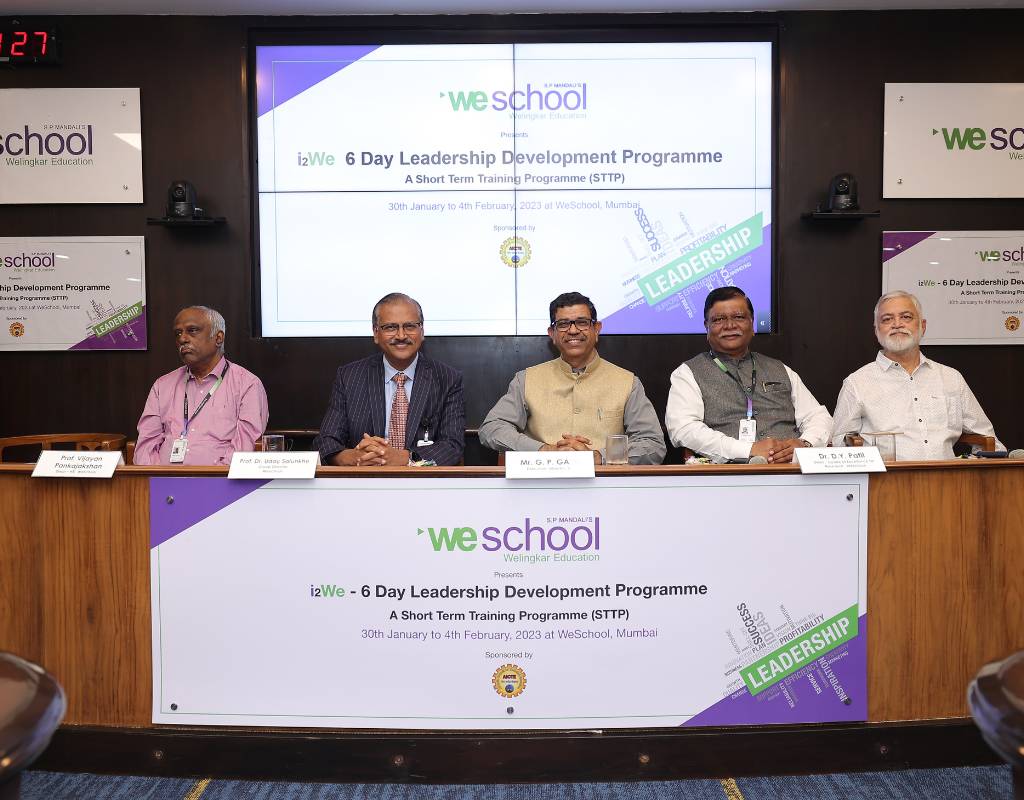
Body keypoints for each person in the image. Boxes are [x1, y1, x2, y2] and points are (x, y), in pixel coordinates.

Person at [479, 291, 666, 464]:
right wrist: (543, 450)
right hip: (541, 482)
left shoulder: (627, 382)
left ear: (597, 329)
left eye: (582, 322)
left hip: (606, 484)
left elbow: (652, 444)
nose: (573, 330)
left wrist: (598, 456)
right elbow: (491, 428)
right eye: (563, 324)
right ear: (552, 334)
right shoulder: (526, 379)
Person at [665, 286, 831, 463]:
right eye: (719, 319)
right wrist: (747, 450)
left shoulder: (780, 368)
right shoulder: (688, 373)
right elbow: (683, 428)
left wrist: (805, 444)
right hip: (727, 474)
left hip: (791, 470)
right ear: (707, 326)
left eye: (739, 317)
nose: (730, 326)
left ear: (752, 324)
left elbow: (818, 416)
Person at [830, 290, 1003, 459]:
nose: (897, 324)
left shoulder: (951, 378)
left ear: (923, 326)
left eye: (906, 317)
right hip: (886, 477)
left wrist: (978, 468)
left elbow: (987, 439)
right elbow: (840, 444)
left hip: (947, 476)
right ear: (876, 331)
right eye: (887, 319)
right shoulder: (857, 383)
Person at [314, 292, 465, 466]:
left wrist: (403, 459)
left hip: (421, 480)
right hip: (364, 478)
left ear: (422, 331)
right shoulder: (349, 377)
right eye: (391, 327)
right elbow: (325, 442)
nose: (401, 335)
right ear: (376, 333)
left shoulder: (447, 379)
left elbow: (452, 446)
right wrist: (355, 457)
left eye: (410, 326)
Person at [134, 306, 269, 465]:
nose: (182, 339)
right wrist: (160, 477)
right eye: (178, 333)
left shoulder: (247, 385)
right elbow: (145, 447)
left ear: (218, 338)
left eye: (192, 330)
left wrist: (209, 479)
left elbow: (244, 450)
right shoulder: (162, 386)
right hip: (163, 479)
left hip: (220, 479)